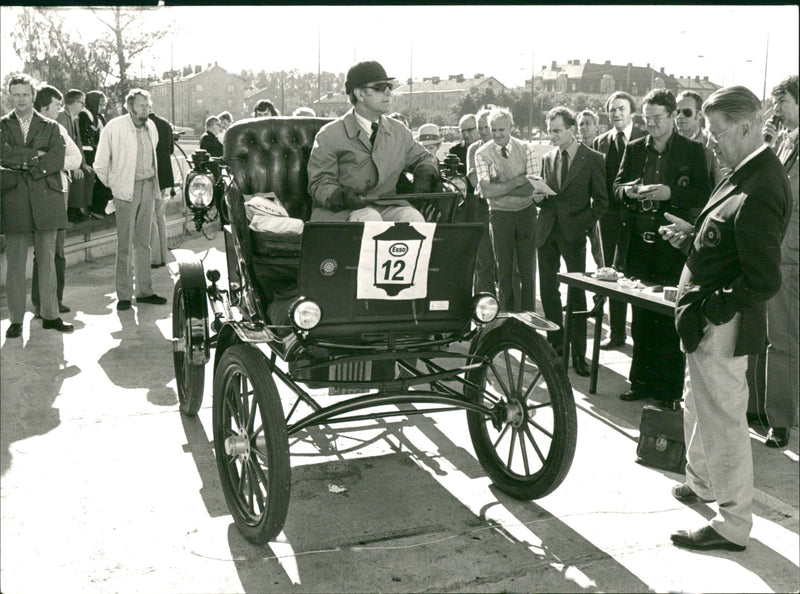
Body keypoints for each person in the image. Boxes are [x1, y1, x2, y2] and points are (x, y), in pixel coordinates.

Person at [665, 85, 791, 552]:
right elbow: (729, 239)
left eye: (716, 133)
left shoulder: (762, 185)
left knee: (723, 420)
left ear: (745, 128)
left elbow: (763, 278)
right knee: (697, 403)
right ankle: (701, 482)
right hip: (706, 319)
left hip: (721, 323)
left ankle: (732, 523)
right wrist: (691, 241)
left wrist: (711, 310)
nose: (710, 141)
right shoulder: (742, 171)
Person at [613, 89, 711, 408]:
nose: (651, 124)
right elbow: (616, 188)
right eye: (647, 118)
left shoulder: (692, 151)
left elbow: (703, 194)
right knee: (641, 317)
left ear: (672, 116)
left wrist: (670, 194)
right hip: (639, 244)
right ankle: (640, 382)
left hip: (672, 244)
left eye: (657, 118)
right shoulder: (634, 148)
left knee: (669, 319)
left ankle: (668, 391)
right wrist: (629, 192)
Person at [307, 60, 439, 223]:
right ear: (359, 94)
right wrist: (342, 196)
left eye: (389, 86)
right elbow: (319, 183)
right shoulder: (329, 135)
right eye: (379, 87)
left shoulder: (399, 131)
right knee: (370, 219)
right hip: (342, 212)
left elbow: (425, 157)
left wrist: (426, 171)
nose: (388, 92)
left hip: (386, 207)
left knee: (412, 217)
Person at [535, 106, 607, 375]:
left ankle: (578, 353)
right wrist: (538, 197)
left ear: (571, 129)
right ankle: (556, 345)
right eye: (549, 130)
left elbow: (601, 201)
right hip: (547, 231)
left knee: (576, 293)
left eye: (556, 131)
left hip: (574, 233)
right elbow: (545, 195)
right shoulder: (548, 157)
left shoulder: (593, 159)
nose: (551, 135)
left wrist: (584, 224)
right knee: (548, 291)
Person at [1, 74, 72, 337]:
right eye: (16, 94)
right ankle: (16, 320)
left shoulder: (51, 126)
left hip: (47, 198)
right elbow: (2, 153)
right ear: (10, 96)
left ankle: (51, 315)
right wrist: (35, 156)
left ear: (33, 96)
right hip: (14, 199)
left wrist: (21, 162)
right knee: (15, 264)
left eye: (25, 94)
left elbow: (57, 157)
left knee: (47, 260)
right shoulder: (2, 126)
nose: (21, 99)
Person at [94, 88, 167, 311]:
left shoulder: (151, 127)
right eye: (141, 105)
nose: (146, 109)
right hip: (126, 191)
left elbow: (153, 156)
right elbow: (100, 164)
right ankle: (124, 295)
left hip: (148, 187)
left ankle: (145, 291)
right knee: (125, 243)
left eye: (147, 105)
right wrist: (115, 185)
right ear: (130, 106)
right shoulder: (114, 127)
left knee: (144, 242)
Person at [759, 75, 799, 448]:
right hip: (784, 256)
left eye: (782, 102)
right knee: (781, 340)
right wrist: (767, 148)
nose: (776, 111)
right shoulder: (784, 142)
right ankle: (781, 420)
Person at [593, 92, 646, 350]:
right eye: (612, 109)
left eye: (621, 108)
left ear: (632, 112)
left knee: (638, 273)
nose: (616, 113)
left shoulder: (645, 138)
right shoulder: (601, 142)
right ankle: (616, 333)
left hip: (639, 218)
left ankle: (641, 335)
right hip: (609, 219)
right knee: (613, 273)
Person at [474, 107, 539, 312]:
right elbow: (486, 191)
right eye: (493, 130)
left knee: (527, 269)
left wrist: (500, 189)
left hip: (526, 214)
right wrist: (516, 182)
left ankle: (529, 314)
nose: (497, 134)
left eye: (501, 130)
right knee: (504, 269)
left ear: (511, 128)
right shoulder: (482, 153)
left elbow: (533, 188)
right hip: (500, 216)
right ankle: (507, 314)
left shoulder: (527, 149)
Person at [31, 84, 83, 320]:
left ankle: (55, 300)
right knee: (42, 250)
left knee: (58, 251)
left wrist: (49, 162)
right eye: (56, 105)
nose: (60, 109)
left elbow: (76, 158)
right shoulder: (27, 130)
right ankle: (40, 303)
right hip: (35, 194)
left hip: (59, 192)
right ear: (44, 107)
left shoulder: (59, 128)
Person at [466, 107, 497, 295]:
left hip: (505, 208)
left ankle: (509, 306)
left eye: (487, 127)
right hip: (482, 209)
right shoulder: (474, 149)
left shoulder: (507, 147)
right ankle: (484, 303)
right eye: (480, 127)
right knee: (483, 261)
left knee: (507, 262)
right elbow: (473, 179)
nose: (484, 131)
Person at [59, 89, 94, 222]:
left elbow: (78, 144)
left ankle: (83, 208)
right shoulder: (61, 117)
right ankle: (72, 210)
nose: (83, 107)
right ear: (73, 102)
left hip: (74, 159)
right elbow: (61, 145)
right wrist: (73, 166)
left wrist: (83, 163)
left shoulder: (75, 119)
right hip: (65, 161)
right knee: (79, 176)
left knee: (89, 173)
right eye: (82, 103)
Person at [675, 90, 722, 185]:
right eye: (677, 112)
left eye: (687, 112)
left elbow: (718, 182)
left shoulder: (710, 144)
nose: (680, 116)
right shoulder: (667, 142)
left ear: (699, 114)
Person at [148, 110, 175, 268]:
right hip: (165, 174)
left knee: (150, 217)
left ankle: (154, 258)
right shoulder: (165, 123)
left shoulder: (144, 125)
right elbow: (171, 150)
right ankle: (163, 256)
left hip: (153, 173)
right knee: (160, 216)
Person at [80, 90, 112, 219]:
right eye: (101, 104)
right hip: (87, 153)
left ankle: (102, 207)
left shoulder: (99, 117)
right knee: (99, 176)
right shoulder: (83, 115)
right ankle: (95, 208)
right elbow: (84, 136)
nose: (103, 107)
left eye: (104, 104)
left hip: (98, 152)